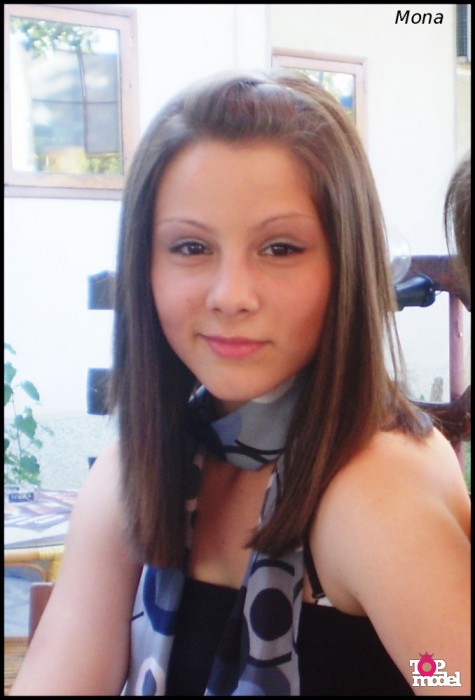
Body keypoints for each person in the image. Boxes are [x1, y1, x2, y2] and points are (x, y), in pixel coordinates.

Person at [10, 71, 470, 696]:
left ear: (347, 264)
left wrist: (434, 670)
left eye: (280, 249)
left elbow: (447, 673)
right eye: (191, 247)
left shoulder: (373, 488)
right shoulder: (136, 473)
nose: (231, 295)